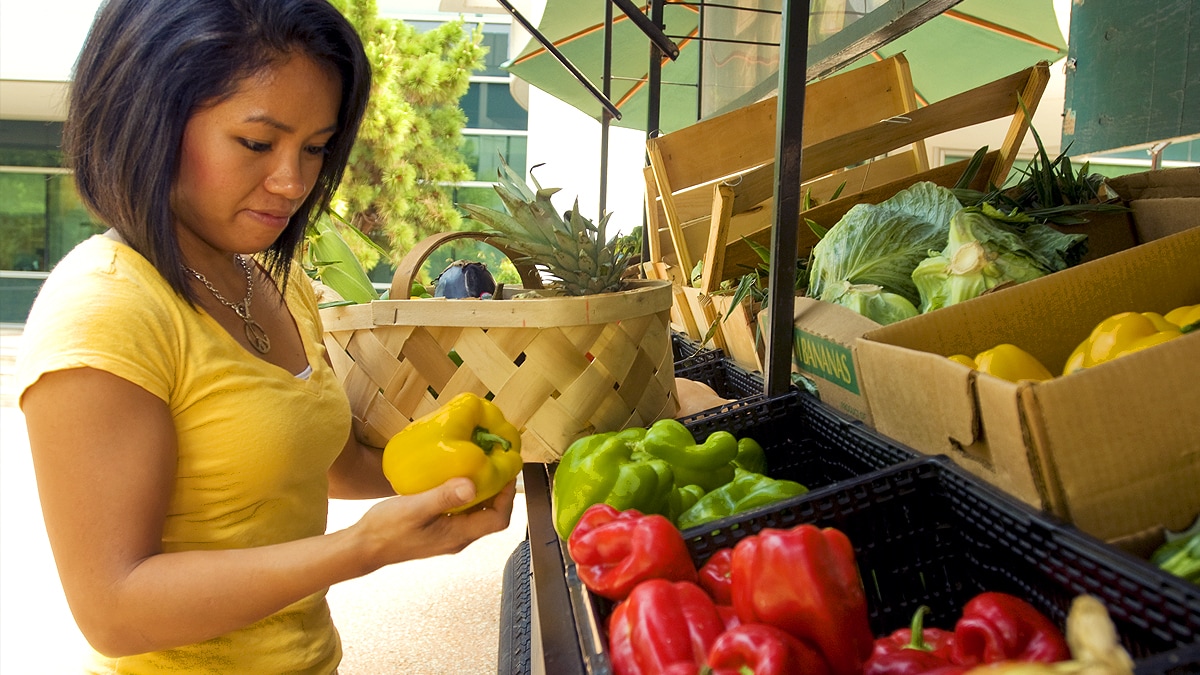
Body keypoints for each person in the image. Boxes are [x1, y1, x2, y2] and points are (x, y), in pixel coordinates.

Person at [15, 0, 517, 672]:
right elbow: (113, 607)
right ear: (149, 120)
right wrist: (364, 548)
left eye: (315, 148)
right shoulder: (106, 306)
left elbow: (337, 466)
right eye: (257, 143)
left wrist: (460, 471)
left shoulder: (273, 283)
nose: (293, 182)